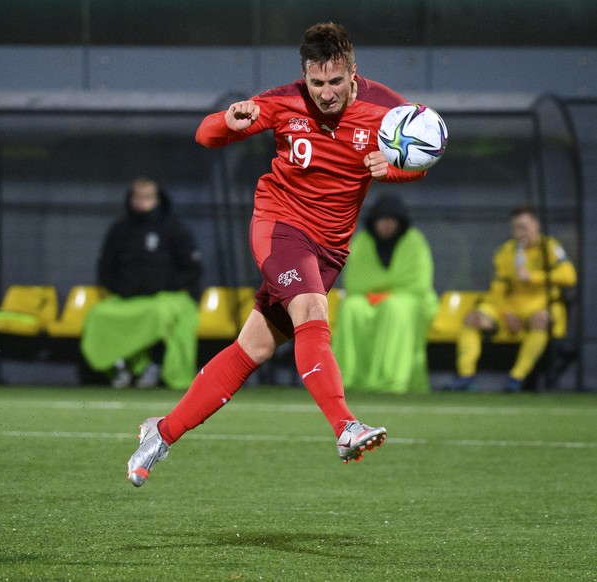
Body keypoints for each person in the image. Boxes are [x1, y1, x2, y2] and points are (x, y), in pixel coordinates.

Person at [125, 22, 426, 487]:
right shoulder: (284, 101)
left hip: (329, 249)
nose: (326, 93)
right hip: (280, 226)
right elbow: (205, 136)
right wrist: (229, 120)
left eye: (335, 81)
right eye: (316, 82)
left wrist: (394, 170)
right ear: (304, 75)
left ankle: (160, 434)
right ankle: (345, 427)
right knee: (311, 309)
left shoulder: (387, 109)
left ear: (353, 72)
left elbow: (421, 159)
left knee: (254, 347)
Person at [81, 177, 203, 389]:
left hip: (164, 297)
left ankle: (153, 364)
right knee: (97, 314)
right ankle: (119, 366)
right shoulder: (119, 229)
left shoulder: (175, 228)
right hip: (127, 298)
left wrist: (164, 284)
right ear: (131, 199)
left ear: (157, 199)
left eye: (148, 197)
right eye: (138, 197)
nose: (143, 202)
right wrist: (122, 287)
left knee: (161, 314)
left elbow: (193, 269)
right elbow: (105, 267)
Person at [448, 204, 577, 393]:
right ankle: (466, 377)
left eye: (524, 226)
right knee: (473, 318)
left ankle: (516, 378)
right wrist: (507, 313)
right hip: (509, 308)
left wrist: (534, 277)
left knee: (541, 320)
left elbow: (569, 276)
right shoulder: (506, 252)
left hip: (538, 307)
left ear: (536, 225)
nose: (520, 232)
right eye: (516, 227)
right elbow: (498, 290)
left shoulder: (549, 247)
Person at [332, 193, 438, 393]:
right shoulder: (363, 241)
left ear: (400, 222)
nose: (387, 225)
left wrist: (383, 294)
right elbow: (354, 282)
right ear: (374, 221)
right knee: (351, 307)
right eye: (382, 219)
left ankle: (393, 381)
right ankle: (348, 379)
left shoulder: (414, 241)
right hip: (367, 299)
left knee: (396, 308)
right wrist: (380, 293)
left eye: (392, 220)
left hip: (411, 301)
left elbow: (418, 284)